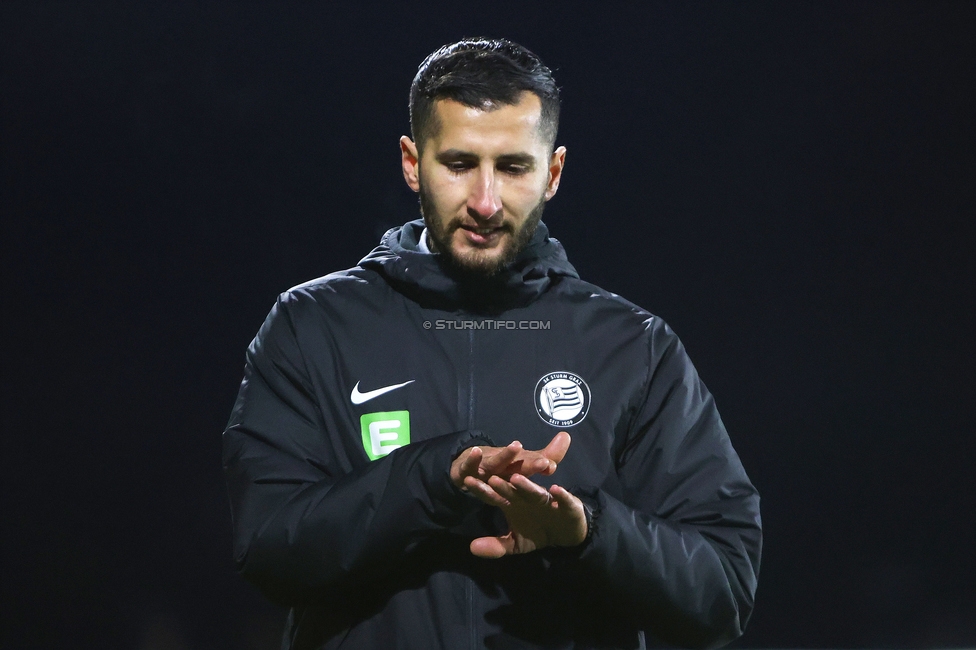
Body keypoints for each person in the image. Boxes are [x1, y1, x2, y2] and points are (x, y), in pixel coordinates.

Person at [222, 38, 762, 649]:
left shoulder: (633, 346)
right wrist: (434, 480)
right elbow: (267, 550)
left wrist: (588, 530)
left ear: (552, 172)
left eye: (512, 167)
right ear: (411, 162)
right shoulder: (312, 325)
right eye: (458, 164)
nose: (484, 201)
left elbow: (723, 590)